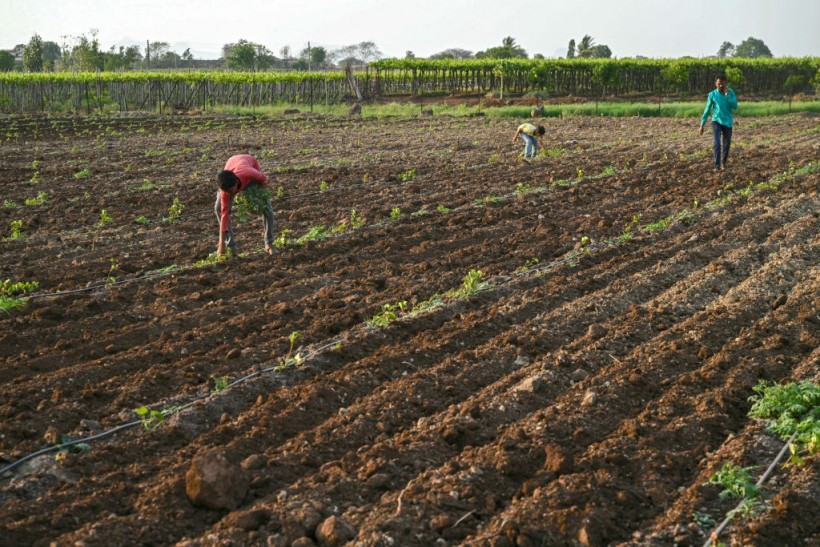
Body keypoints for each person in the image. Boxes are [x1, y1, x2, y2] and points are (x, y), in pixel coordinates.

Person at [215, 154, 275, 256]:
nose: (229, 194)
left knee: (267, 207)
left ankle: (269, 243)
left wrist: (258, 196)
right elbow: (224, 213)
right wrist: (221, 243)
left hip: (249, 165)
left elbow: (264, 179)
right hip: (232, 162)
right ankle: (230, 246)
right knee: (218, 209)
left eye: (230, 191)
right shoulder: (226, 190)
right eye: (226, 192)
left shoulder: (250, 173)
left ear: (236, 183)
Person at [699, 75, 738, 170]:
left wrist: (728, 96)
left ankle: (723, 163)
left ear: (726, 84)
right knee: (716, 142)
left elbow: (735, 106)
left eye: (723, 84)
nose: (721, 85)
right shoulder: (712, 94)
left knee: (727, 142)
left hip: (728, 122)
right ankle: (717, 165)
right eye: (719, 83)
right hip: (716, 120)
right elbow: (707, 109)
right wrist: (702, 124)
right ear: (716, 84)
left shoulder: (731, 92)